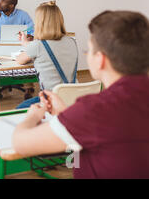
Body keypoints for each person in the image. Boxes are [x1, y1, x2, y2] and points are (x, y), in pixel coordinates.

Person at [12, 10, 149, 179]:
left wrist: (32, 116)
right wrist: (66, 115)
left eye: (89, 50)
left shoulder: (93, 110)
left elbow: (20, 142)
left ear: (100, 60)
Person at [15, 1, 78, 109]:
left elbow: (20, 60)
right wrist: (26, 44)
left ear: (40, 22)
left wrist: (24, 44)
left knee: (18, 110)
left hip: (51, 98)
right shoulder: (72, 41)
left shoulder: (38, 45)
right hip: (73, 97)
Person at [0, 0, 35, 105]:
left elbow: (33, 30)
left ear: (11, 5)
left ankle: (28, 90)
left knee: (28, 58)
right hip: (0, 49)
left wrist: (31, 35)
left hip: (18, 48)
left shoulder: (23, 15)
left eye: (3, 1)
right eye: (0, 0)